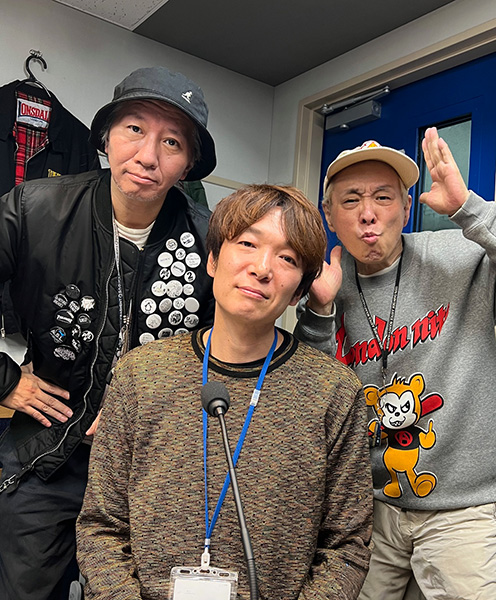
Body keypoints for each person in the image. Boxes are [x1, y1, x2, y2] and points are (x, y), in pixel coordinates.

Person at [76, 184, 373, 599]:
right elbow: (101, 525)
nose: (262, 268)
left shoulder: (333, 392)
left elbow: (347, 544)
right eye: (248, 244)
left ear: (299, 291)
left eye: (287, 258)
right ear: (213, 260)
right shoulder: (140, 374)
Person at [0, 66, 217, 600]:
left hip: (154, 466)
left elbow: (229, 346)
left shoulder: (209, 237)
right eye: (134, 130)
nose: (148, 156)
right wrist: (5, 381)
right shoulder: (34, 209)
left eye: (172, 142)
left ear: (189, 163)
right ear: (105, 137)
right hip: (48, 453)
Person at [294, 129, 496, 600]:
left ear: (406, 208)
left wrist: (467, 208)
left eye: (383, 197)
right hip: (372, 507)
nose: (368, 212)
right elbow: (313, 395)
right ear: (329, 214)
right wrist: (319, 311)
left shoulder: (459, 254)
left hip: (463, 507)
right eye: (351, 200)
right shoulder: (328, 284)